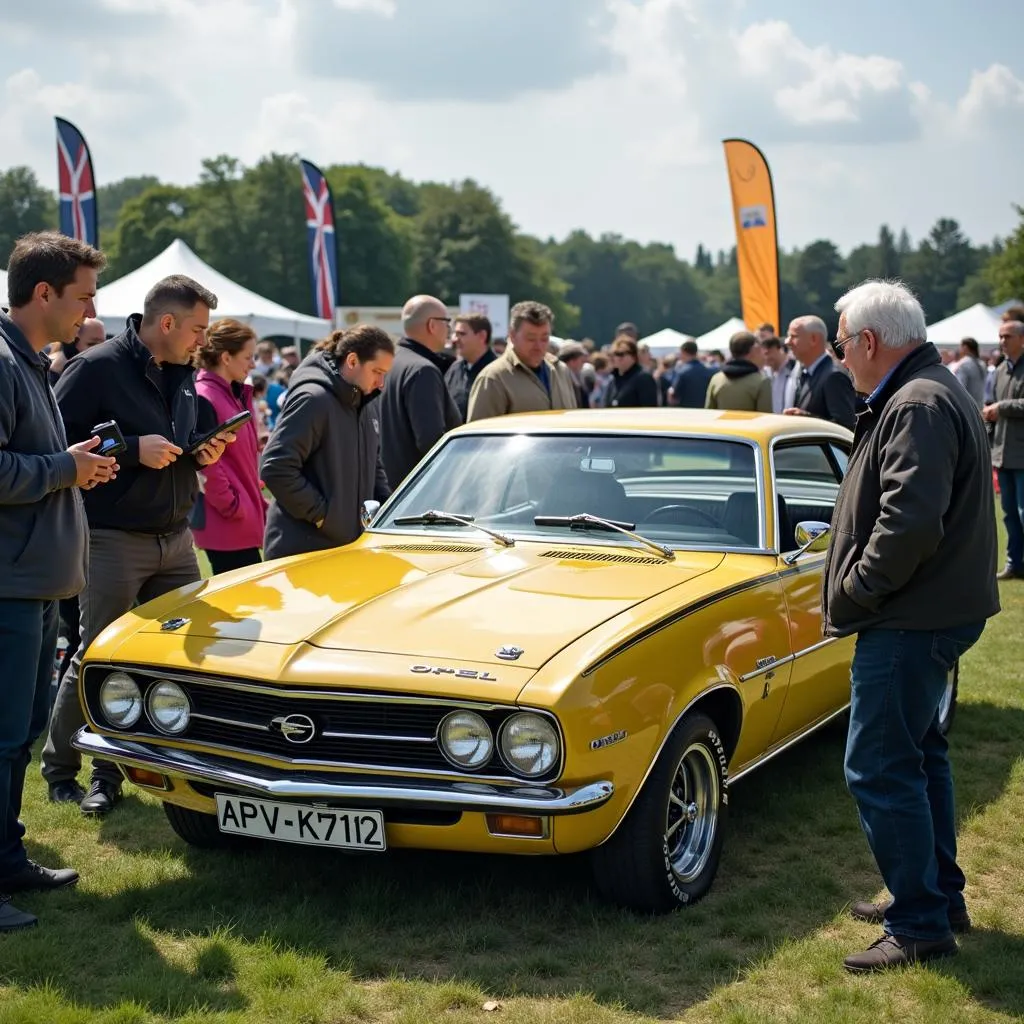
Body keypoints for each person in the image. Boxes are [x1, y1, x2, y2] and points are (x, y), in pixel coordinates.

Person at [822, 280, 999, 973]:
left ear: (869, 341)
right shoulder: (930, 389)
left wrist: (859, 589)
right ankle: (933, 897)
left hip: (910, 617)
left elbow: (908, 522)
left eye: (842, 346)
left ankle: (921, 921)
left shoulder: (918, 400)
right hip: (929, 611)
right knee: (921, 755)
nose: (840, 360)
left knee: (879, 766)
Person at [41, 275, 233, 817]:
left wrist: (202, 454)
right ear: (166, 323)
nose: (203, 340)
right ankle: (60, 769)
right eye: (197, 329)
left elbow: (176, 446)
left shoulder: (184, 372)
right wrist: (130, 450)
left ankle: (113, 771)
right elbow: (55, 444)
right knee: (96, 658)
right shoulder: (95, 367)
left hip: (175, 540)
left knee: (175, 660)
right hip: (111, 539)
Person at [0, 231, 116, 931]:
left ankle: (8, 860)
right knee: (2, 735)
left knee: (17, 735)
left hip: (36, 582)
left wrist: (68, 462)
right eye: (82, 297)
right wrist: (63, 470)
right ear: (43, 294)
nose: (89, 311)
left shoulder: (31, 363)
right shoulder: (5, 365)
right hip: (11, 585)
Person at [261, 325, 394, 560]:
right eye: (377, 371)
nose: (381, 382)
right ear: (352, 361)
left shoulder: (367, 403)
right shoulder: (314, 399)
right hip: (302, 552)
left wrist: (388, 512)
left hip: (347, 550)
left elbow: (375, 467)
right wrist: (323, 516)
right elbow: (276, 467)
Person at [192, 319, 267, 574]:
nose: (253, 364)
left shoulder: (232, 395)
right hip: (226, 525)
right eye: (248, 357)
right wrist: (233, 505)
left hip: (238, 522)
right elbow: (206, 465)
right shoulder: (205, 396)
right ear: (226, 357)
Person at [379, 295, 462, 489]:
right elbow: (431, 441)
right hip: (418, 493)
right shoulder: (423, 370)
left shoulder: (390, 362)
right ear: (432, 325)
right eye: (446, 322)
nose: (449, 329)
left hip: (389, 488)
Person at [467, 301, 578, 420]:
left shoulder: (561, 371)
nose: (538, 346)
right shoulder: (493, 378)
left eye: (544, 339)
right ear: (512, 335)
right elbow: (479, 435)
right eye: (531, 339)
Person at [982, 316, 1024, 579]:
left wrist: (1001, 408)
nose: (1002, 342)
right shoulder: (998, 371)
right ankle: (1014, 563)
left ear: (1022, 339)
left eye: (1007, 337)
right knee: (1009, 514)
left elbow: (1001, 407)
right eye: (1000, 337)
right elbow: (990, 404)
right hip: (1002, 454)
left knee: (1023, 513)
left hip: (1021, 455)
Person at [783, 315, 857, 430]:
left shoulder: (834, 376)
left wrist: (808, 418)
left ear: (814, 339)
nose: (787, 342)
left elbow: (846, 426)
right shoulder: (805, 371)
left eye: (794, 336)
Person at [704, 331, 772, 411]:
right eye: (761, 349)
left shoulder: (716, 380)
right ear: (754, 350)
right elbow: (766, 418)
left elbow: (709, 413)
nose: (763, 354)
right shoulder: (762, 382)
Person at [444, 313, 496, 420]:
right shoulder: (454, 369)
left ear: (482, 336)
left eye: (461, 334)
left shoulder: (499, 373)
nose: (455, 339)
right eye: (455, 334)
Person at [604, 335, 659, 407]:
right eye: (612, 354)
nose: (615, 358)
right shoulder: (613, 381)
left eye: (620, 354)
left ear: (633, 356)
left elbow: (649, 408)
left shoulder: (643, 379)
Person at [667, 340, 714, 408]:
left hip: (687, 413)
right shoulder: (708, 371)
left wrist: (670, 393)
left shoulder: (682, 372)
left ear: (683, 352)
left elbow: (674, 397)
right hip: (704, 412)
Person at [761, 336, 798, 413]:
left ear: (780, 350)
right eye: (764, 354)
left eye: (768, 353)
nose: (766, 358)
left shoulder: (794, 369)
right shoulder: (764, 373)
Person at [952, 337, 986, 409]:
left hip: (967, 407)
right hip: (980, 405)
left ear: (965, 347)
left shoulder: (963, 364)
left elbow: (960, 387)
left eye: (960, 346)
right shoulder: (982, 363)